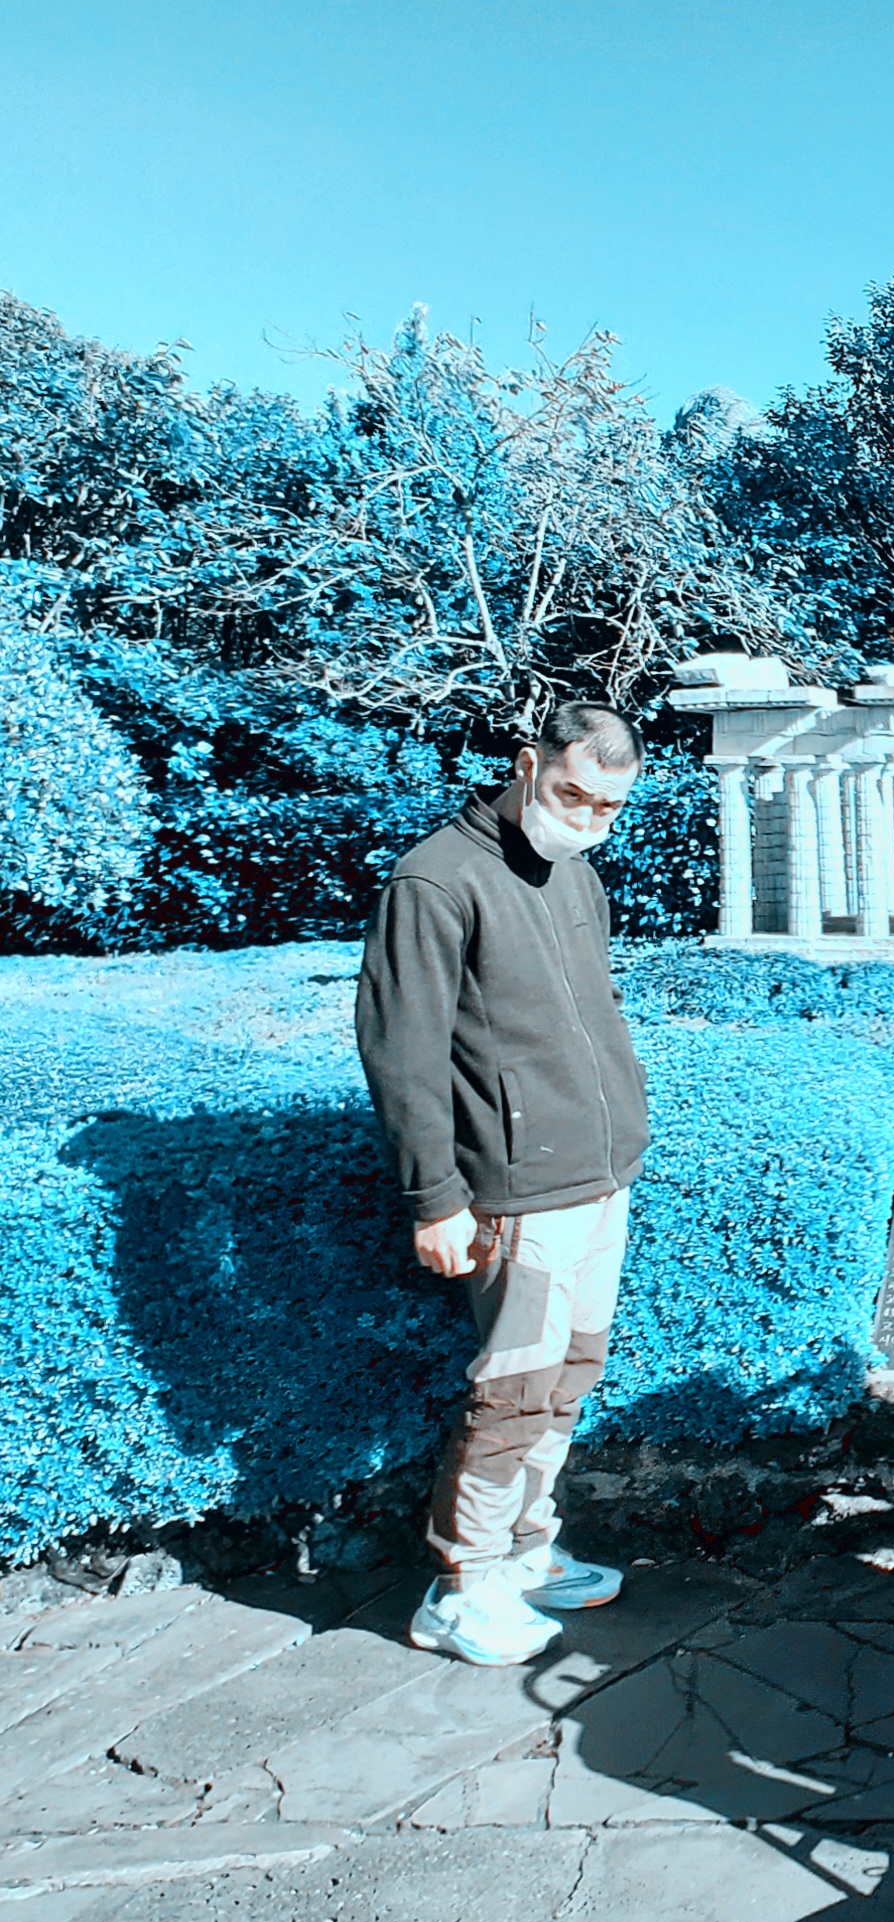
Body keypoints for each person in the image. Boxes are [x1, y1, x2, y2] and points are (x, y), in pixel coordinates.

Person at [356, 702, 652, 1668]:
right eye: (574, 792)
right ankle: (461, 1587)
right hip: (516, 1190)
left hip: (598, 1176)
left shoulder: (575, 871)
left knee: (569, 1377)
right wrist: (434, 1197)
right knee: (514, 1390)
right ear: (528, 763)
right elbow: (402, 1053)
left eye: (609, 805)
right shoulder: (435, 879)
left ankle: (527, 1550)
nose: (589, 817)